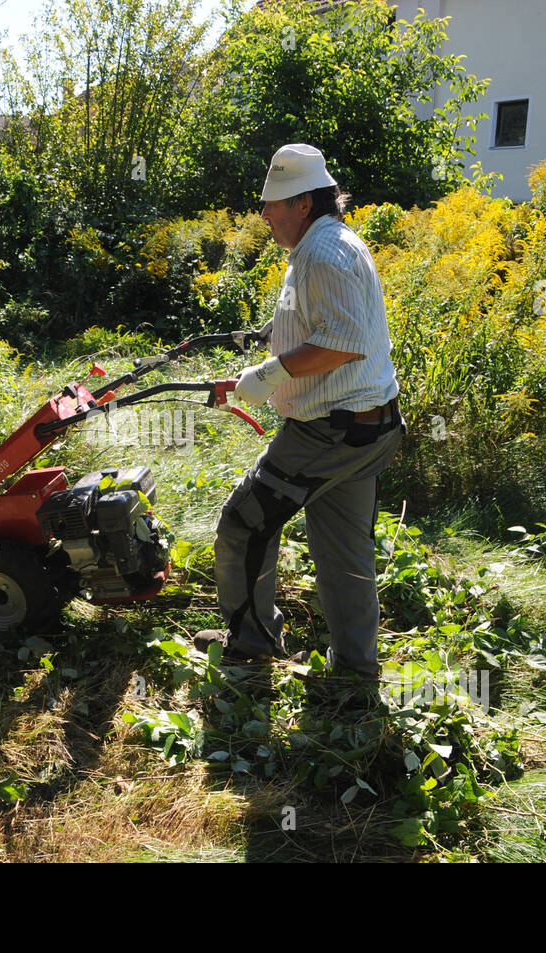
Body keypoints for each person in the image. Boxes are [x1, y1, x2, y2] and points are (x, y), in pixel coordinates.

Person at [194, 143, 404, 685]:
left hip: (329, 431)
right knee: (344, 556)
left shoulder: (323, 254)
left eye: (272, 204)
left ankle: (249, 646)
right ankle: (354, 677)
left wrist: (269, 376)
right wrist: (266, 345)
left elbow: (344, 342)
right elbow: (317, 323)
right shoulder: (329, 246)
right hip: (369, 428)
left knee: (244, 524)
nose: (264, 215)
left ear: (303, 204)